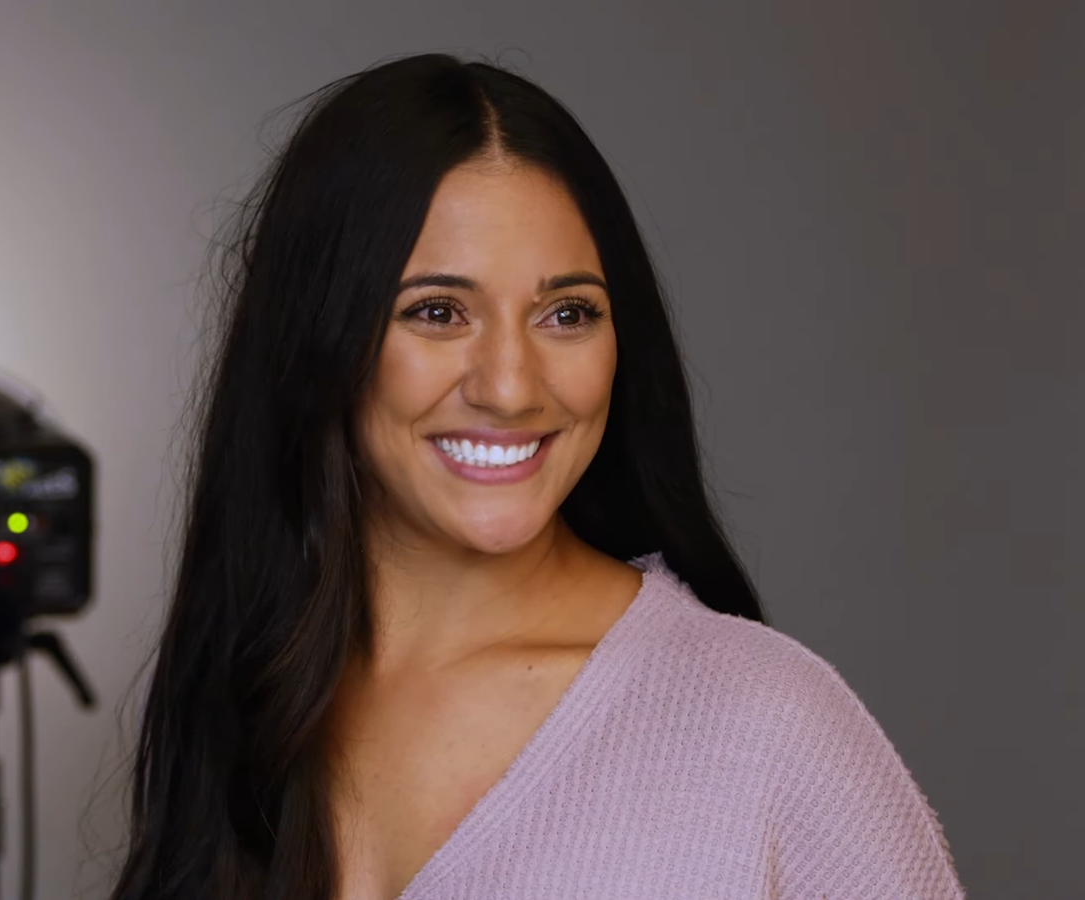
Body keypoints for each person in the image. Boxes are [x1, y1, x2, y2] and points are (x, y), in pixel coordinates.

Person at [104, 53, 966, 900]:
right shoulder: (243, 696)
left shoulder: (763, 725)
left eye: (568, 314)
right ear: (317, 340)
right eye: (437, 313)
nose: (510, 386)